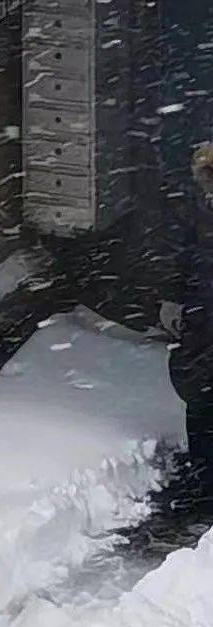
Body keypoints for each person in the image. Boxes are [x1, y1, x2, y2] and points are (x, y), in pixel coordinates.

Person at [166, 141, 213, 486]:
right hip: (201, 313)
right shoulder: (198, 210)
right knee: (198, 391)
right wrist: (173, 298)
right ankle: (202, 468)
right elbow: (185, 256)